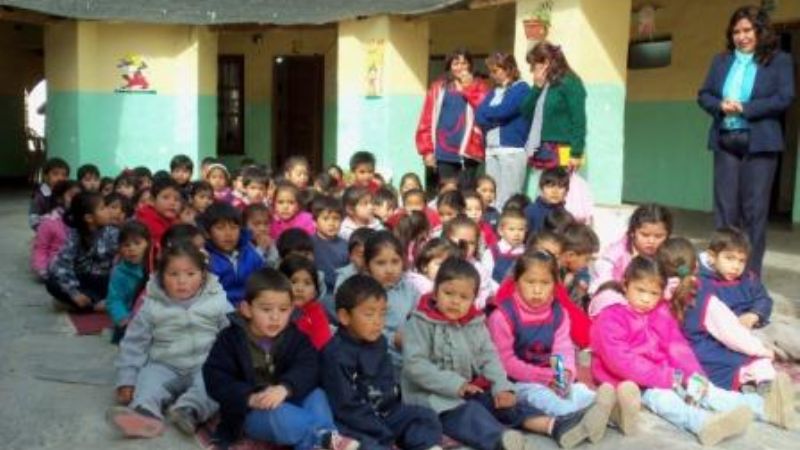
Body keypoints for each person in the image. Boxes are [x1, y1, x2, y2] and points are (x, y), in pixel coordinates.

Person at [403, 257, 611, 450]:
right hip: (432, 398)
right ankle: (502, 439)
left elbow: (489, 356)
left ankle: (556, 426)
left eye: (464, 297)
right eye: (448, 293)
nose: (455, 301)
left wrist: (503, 387)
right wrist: (457, 385)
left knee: (509, 403)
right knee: (471, 414)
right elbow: (416, 365)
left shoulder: (556, 313)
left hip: (475, 389)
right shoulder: (422, 322)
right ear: (435, 291)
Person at [590, 256, 760, 445]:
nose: (646, 299)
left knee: (707, 391)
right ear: (625, 284)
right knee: (666, 401)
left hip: (666, 374)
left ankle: (765, 408)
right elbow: (621, 361)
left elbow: (676, 346)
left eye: (654, 293)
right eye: (640, 290)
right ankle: (705, 425)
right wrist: (668, 378)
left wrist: (694, 376)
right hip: (630, 382)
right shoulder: (611, 317)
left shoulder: (660, 311)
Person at [203, 267, 357, 450]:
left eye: (283, 309)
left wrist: (286, 387)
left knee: (317, 394)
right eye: (266, 309)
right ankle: (324, 437)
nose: (275, 317)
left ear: (291, 310)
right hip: (253, 410)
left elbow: (310, 366)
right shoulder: (230, 339)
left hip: (289, 397)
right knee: (278, 415)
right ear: (246, 309)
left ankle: (321, 441)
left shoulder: (295, 336)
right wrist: (248, 397)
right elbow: (215, 377)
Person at [657, 238, 795, 429]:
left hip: (677, 361)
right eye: (729, 258)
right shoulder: (700, 294)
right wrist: (761, 350)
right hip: (704, 358)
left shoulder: (656, 295)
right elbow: (731, 333)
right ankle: (768, 399)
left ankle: (766, 395)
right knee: (754, 360)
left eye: (741, 260)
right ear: (700, 263)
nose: (736, 266)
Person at [697, 5, 795, 275]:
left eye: (747, 30)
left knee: (754, 213)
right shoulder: (721, 61)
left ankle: (749, 277)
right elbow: (704, 94)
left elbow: (784, 98)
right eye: (736, 31)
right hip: (725, 139)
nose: (741, 36)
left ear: (760, 31)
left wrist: (745, 108)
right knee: (725, 212)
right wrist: (720, 105)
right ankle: (722, 273)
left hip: (760, 142)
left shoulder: (779, 60)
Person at [108, 243, 232, 438]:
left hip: (206, 365)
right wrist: (127, 379)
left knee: (217, 384)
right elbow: (133, 344)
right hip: (165, 365)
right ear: (160, 277)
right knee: (148, 381)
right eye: (173, 274)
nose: (182, 281)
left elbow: (233, 336)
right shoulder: (151, 305)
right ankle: (144, 414)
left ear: (203, 275)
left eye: (190, 274)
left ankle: (188, 411)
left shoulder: (217, 301)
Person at [321, 275, 444, 450]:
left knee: (424, 416)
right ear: (344, 316)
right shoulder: (335, 354)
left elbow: (387, 387)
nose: (378, 321)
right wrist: (381, 431)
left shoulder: (379, 342)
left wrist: (391, 417)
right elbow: (345, 408)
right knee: (366, 445)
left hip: (386, 414)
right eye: (369, 314)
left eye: (383, 313)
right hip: (354, 422)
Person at [488, 251, 612, 418]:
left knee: (578, 390)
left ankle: (605, 410)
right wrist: (543, 377)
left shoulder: (558, 313)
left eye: (545, 283)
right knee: (542, 397)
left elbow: (562, 349)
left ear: (555, 285)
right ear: (516, 282)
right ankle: (573, 418)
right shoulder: (503, 316)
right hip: (518, 382)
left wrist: (562, 377)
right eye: (530, 282)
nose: (537, 290)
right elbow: (505, 362)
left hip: (550, 375)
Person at [415, 49, 489, 185]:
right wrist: (427, 151)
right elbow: (426, 119)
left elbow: (484, 111)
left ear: (470, 66)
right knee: (448, 193)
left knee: (466, 194)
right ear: (449, 66)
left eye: (464, 63)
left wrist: (469, 88)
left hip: (470, 151)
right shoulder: (439, 87)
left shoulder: (480, 86)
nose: (460, 67)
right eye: (456, 63)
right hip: (444, 151)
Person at [588, 203, 672, 311]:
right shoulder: (614, 256)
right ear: (632, 232)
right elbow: (600, 288)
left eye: (658, 236)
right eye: (645, 235)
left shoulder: (669, 255)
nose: (651, 241)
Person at [520, 41, 587, 174]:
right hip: (544, 146)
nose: (531, 70)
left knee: (562, 188)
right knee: (546, 189)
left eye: (534, 65)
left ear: (546, 62)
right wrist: (537, 88)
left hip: (565, 147)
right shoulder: (544, 84)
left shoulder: (570, 82)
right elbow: (525, 111)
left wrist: (576, 153)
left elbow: (579, 120)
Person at [476, 53, 532, 209]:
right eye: (491, 71)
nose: (492, 75)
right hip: (492, 149)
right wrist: (493, 114)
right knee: (490, 197)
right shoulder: (494, 92)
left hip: (511, 150)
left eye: (495, 71)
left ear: (508, 69)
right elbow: (479, 115)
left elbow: (504, 110)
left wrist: (491, 113)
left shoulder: (521, 89)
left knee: (509, 199)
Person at [46, 191, 118, 312]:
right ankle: (92, 304)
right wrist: (74, 293)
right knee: (52, 282)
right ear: (89, 218)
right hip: (82, 280)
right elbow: (62, 266)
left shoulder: (112, 232)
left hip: (105, 280)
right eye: (103, 208)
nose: (108, 211)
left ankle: (87, 304)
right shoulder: (75, 236)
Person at [363, 231, 420, 370]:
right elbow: (361, 329)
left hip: (410, 355)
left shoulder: (409, 290)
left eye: (395, 262)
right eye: (380, 263)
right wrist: (393, 339)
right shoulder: (362, 293)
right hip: (375, 357)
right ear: (367, 265)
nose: (389, 270)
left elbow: (420, 319)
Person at [199, 202, 264, 306]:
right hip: (219, 311)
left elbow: (262, 282)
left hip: (250, 306)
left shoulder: (250, 252)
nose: (228, 234)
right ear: (208, 232)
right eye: (220, 228)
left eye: (234, 227)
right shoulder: (205, 258)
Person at [106, 221, 150, 344]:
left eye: (137, 243)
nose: (132, 249)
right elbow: (114, 300)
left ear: (147, 243)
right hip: (130, 316)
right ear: (120, 248)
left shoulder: (153, 266)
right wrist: (123, 318)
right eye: (126, 245)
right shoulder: (119, 272)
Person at [30, 180, 80, 280]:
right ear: (60, 199)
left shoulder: (86, 219)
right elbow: (41, 248)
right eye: (72, 196)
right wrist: (42, 269)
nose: (77, 200)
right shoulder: (49, 222)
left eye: (80, 197)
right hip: (56, 266)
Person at [135, 178, 182, 263]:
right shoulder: (146, 221)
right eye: (166, 197)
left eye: (177, 199)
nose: (172, 203)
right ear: (152, 201)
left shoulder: (175, 221)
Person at [559, 223, 600, 310]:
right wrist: (563, 288)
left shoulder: (570, 274)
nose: (587, 264)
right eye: (586, 259)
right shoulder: (552, 274)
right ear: (570, 255)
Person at [481, 208, 527, 283]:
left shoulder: (527, 252)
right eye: (511, 229)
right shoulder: (492, 252)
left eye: (521, 229)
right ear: (500, 231)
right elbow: (487, 279)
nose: (517, 234)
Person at [523, 167, 569, 236]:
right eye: (550, 186)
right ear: (541, 188)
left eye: (560, 187)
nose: (555, 191)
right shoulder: (530, 212)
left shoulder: (567, 217)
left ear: (566, 191)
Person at [29, 157, 70, 230]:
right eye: (55, 174)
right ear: (45, 176)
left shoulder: (68, 193)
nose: (60, 178)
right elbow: (34, 221)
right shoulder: (39, 196)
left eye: (64, 175)